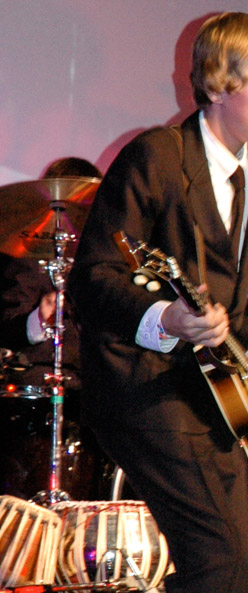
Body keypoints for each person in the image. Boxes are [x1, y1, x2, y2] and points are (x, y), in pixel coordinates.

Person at [68, 13, 248, 593]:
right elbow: (93, 279)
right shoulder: (159, 155)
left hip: (215, 394)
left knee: (233, 572)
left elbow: (233, 302)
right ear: (220, 84)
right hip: (142, 386)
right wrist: (164, 318)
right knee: (220, 567)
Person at [0, 157, 102, 499]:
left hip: (98, 389)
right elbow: (7, 325)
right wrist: (39, 319)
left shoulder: (109, 267)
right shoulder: (27, 259)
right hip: (43, 389)